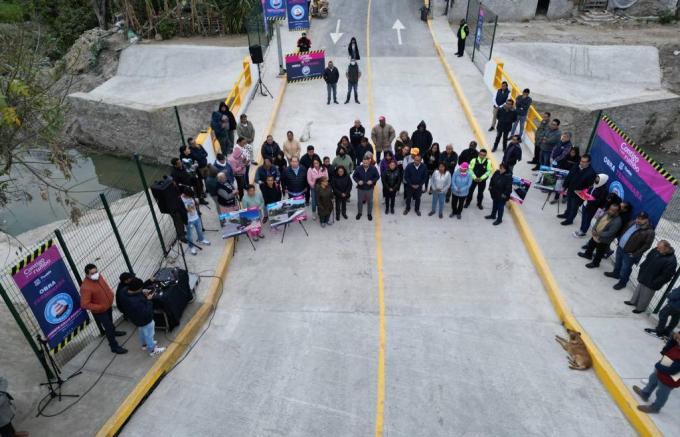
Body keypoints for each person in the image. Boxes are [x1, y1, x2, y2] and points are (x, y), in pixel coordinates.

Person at [80, 264, 127, 354]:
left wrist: (111, 294)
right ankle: (114, 346)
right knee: (108, 327)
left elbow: (105, 285)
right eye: (92, 273)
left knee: (110, 321)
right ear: (87, 275)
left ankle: (114, 332)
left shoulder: (99, 277)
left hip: (108, 305)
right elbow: (84, 304)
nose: (95, 274)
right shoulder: (85, 287)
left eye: (96, 272)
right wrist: (99, 307)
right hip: (100, 311)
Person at [632, 331, 680, 414]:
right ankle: (645, 393)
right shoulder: (677, 343)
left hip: (672, 376)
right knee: (653, 379)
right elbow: (669, 347)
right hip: (666, 363)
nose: (677, 337)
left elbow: (673, 370)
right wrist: (674, 338)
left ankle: (656, 407)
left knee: (663, 391)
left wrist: (658, 366)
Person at [605, 211, 655, 289]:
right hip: (620, 248)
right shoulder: (632, 223)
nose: (639, 220)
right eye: (638, 218)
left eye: (642, 219)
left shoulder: (650, 232)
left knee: (626, 269)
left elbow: (646, 246)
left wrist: (635, 254)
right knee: (618, 262)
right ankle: (616, 274)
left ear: (646, 220)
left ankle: (622, 282)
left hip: (630, 253)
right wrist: (620, 240)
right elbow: (624, 231)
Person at [117, 278, 165, 357]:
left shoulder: (123, 291)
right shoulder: (135, 302)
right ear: (136, 289)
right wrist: (149, 300)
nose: (141, 290)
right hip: (144, 320)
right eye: (140, 289)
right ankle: (152, 350)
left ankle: (144, 345)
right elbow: (146, 312)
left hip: (135, 319)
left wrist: (143, 295)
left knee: (142, 331)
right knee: (149, 335)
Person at [625, 241, 676, 313]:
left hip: (653, 282)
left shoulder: (671, 261)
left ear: (666, 248)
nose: (657, 249)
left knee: (646, 296)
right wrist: (642, 269)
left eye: (660, 248)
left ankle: (640, 308)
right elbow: (647, 259)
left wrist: (655, 282)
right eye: (657, 247)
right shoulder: (656, 250)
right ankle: (633, 302)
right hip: (644, 275)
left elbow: (666, 276)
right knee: (638, 290)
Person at [577, 203, 622, 268]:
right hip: (596, 234)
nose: (610, 211)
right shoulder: (606, 213)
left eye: (613, 211)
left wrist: (598, 233)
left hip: (604, 239)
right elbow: (598, 220)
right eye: (610, 209)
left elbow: (610, 232)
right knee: (591, 245)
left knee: (599, 252)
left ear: (617, 212)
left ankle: (595, 263)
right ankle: (587, 254)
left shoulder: (617, 221)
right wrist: (594, 228)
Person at [558, 154, 597, 225]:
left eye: (584, 162)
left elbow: (589, 187)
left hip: (578, 195)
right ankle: (566, 214)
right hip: (570, 189)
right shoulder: (576, 165)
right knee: (569, 203)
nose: (581, 163)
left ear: (589, 162)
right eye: (581, 161)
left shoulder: (591, 173)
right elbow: (569, 176)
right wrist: (564, 186)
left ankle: (570, 220)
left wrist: (582, 194)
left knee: (574, 208)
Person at [181, 187, 211, 254]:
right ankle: (191, 247)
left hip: (196, 217)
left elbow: (195, 204)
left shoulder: (191, 196)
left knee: (199, 230)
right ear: (185, 194)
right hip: (189, 220)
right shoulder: (181, 200)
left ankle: (201, 239)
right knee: (190, 235)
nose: (190, 197)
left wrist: (196, 202)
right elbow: (183, 211)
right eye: (189, 196)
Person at [353, 152, 379, 220]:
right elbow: (354, 176)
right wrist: (358, 181)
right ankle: (359, 213)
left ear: (369, 162)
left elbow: (377, 176)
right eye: (364, 163)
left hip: (369, 188)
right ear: (362, 162)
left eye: (366, 163)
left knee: (370, 201)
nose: (365, 164)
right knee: (360, 201)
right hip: (360, 188)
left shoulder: (373, 168)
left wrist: (372, 181)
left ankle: (369, 213)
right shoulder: (358, 168)